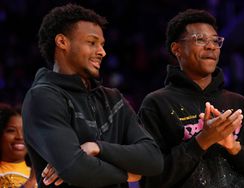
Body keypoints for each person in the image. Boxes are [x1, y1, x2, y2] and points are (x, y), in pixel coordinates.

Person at [21, 3, 163, 188]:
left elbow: (153, 159)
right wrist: (128, 175)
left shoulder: (113, 98)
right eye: (92, 42)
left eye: (102, 45)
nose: (102, 52)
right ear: (62, 42)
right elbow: (75, 168)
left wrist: (97, 148)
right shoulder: (42, 97)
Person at [138, 9, 244, 188]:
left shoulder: (239, 104)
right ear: (176, 49)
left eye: (215, 40)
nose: (211, 46)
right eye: (200, 39)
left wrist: (234, 147)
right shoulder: (156, 104)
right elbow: (151, 180)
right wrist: (202, 140)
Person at [0, 103, 37, 187]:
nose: (20, 137)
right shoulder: (34, 177)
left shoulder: (40, 175)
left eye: (25, 131)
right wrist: (31, 182)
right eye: (11, 130)